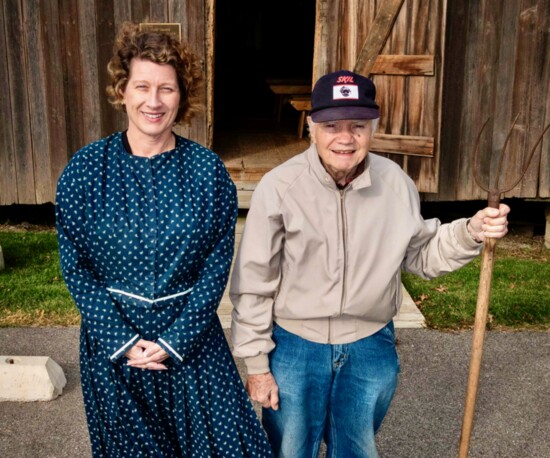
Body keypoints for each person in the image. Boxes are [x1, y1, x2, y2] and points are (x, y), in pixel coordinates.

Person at [229, 69, 510, 457]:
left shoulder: (395, 183)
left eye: (358, 125)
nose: (345, 138)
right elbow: (253, 282)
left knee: (357, 449)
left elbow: (421, 255)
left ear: (373, 128)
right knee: (290, 450)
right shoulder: (279, 187)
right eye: (331, 125)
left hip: (370, 345)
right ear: (312, 127)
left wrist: (471, 232)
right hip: (294, 345)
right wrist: (257, 364)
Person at [56, 22, 273, 457]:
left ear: (182, 96)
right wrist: (120, 339)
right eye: (142, 86)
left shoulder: (208, 172)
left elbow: (216, 263)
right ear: (122, 90)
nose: (153, 101)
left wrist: (176, 340)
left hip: (191, 344)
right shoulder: (84, 170)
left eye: (167, 89)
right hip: (115, 351)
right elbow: (75, 264)